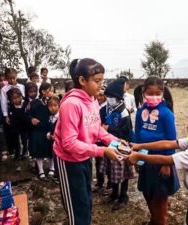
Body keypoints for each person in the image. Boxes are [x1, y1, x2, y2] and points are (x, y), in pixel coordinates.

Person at [53, 58, 122, 225]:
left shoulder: (91, 100)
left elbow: (96, 129)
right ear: (82, 80)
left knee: (87, 202)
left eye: (102, 81)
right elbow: (69, 143)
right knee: (76, 208)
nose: (101, 85)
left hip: (84, 157)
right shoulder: (71, 104)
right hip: (68, 161)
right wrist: (102, 151)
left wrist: (115, 142)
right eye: (97, 81)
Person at [128, 103, 188, 225]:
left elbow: (167, 160)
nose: (187, 127)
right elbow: (168, 144)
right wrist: (140, 146)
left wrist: (139, 156)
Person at [133, 76, 179, 225]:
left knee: (160, 197)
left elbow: (172, 141)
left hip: (161, 162)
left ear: (163, 92)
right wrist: (138, 158)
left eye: (157, 93)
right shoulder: (141, 112)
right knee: (147, 192)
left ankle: (160, 221)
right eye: (150, 93)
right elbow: (137, 136)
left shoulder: (166, 114)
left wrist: (167, 163)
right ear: (143, 92)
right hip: (145, 159)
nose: (153, 96)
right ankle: (154, 220)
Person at [100, 78, 134, 210]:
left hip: (122, 145)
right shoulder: (109, 108)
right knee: (111, 171)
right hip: (110, 144)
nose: (108, 98)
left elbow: (125, 131)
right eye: (107, 96)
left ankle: (123, 196)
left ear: (117, 97)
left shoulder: (123, 112)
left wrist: (109, 129)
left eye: (110, 96)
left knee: (123, 172)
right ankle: (114, 193)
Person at [28, 83, 55, 179]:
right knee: (39, 151)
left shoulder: (52, 102)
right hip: (38, 130)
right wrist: (31, 119)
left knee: (51, 149)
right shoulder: (34, 103)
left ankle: (52, 167)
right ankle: (40, 170)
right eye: (50, 90)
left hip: (49, 129)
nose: (52, 93)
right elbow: (27, 114)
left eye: (52, 91)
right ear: (43, 91)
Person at [0, 68, 25, 156]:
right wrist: (6, 116)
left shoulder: (22, 87)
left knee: (23, 132)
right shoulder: (4, 89)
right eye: (9, 78)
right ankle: (16, 151)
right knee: (14, 133)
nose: (12, 80)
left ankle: (24, 150)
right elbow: (3, 103)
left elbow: (24, 99)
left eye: (14, 78)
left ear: (16, 77)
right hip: (12, 113)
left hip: (21, 112)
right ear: (6, 78)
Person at [7, 88, 28, 161]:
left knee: (24, 139)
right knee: (16, 141)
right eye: (14, 98)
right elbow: (10, 116)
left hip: (24, 126)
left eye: (18, 97)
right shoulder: (10, 106)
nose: (17, 100)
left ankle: (25, 152)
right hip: (15, 127)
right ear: (10, 99)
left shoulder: (25, 104)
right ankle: (17, 153)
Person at [46, 96, 60, 179]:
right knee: (52, 155)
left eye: (55, 105)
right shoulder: (49, 117)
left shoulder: (60, 117)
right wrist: (49, 134)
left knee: (58, 157)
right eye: (50, 106)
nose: (53, 108)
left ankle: (58, 174)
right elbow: (48, 128)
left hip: (58, 142)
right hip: (51, 140)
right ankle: (55, 170)